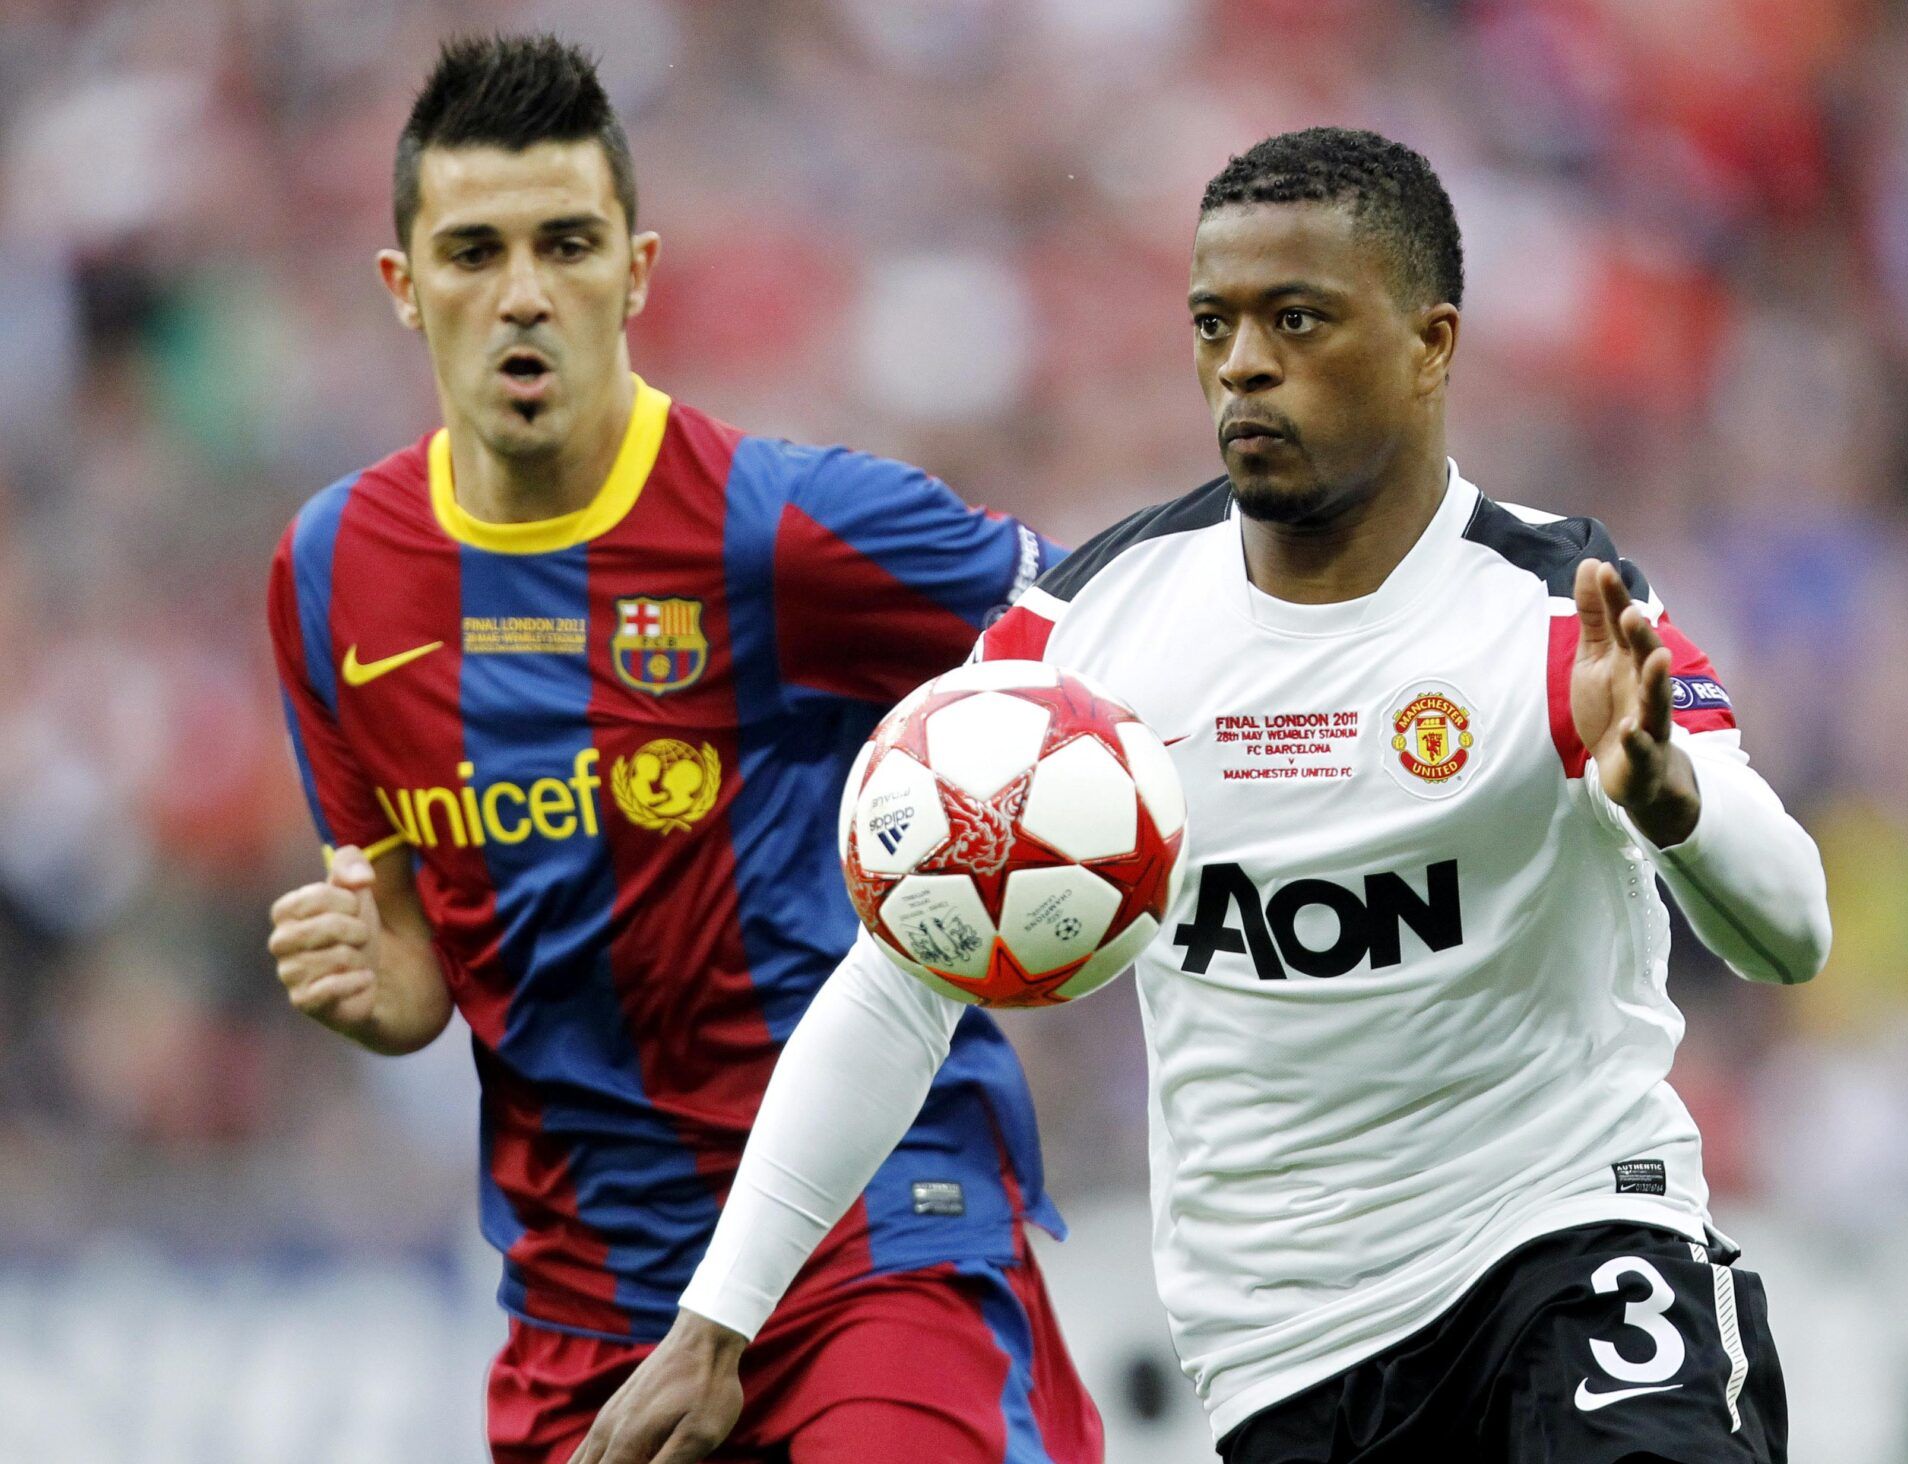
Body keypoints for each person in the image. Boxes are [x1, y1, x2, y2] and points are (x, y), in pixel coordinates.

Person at [600, 128, 1831, 1464]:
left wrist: (1667, 800)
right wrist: (715, 1325)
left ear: (1431, 344)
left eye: (1296, 319)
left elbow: (1792, 933)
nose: (1243, 362)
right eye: (1213, 323)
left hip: (1569, 1242)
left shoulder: (1555, 617)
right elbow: (899, 988)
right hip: (1284, 1345)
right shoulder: (1082, 640)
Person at [263, 33, 1101, 1464]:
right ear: (403, 286)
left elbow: (1110, 628)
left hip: (868, 1245)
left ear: (637, 271)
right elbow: (411, 945)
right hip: (587, 1302)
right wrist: (380, 985)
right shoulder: (335, 574)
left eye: (566, 244)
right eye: (473, 252)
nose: (523, 294)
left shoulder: (785, 527)